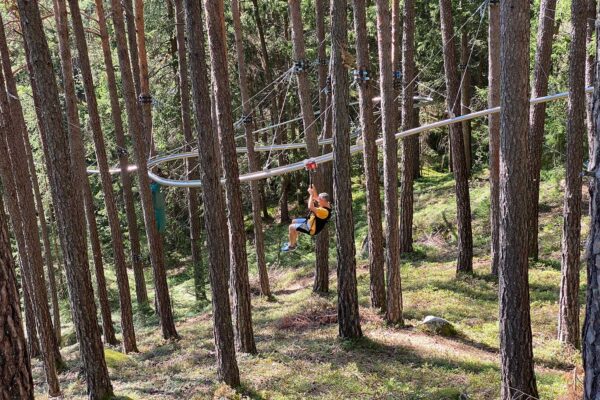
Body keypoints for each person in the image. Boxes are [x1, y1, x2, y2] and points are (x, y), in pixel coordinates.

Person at [281, 184, 332, 252]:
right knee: (294, 221)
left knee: (291, 227)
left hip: (311, 228)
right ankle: (294, 241)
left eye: (319, 199)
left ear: (323, 200)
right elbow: (316, 197)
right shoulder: (326, 203)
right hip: (311, 221)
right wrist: (313, 186)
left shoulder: (324, 211)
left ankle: (292, 246)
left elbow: (310, 207)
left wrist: (311, 194)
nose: (318, 200)